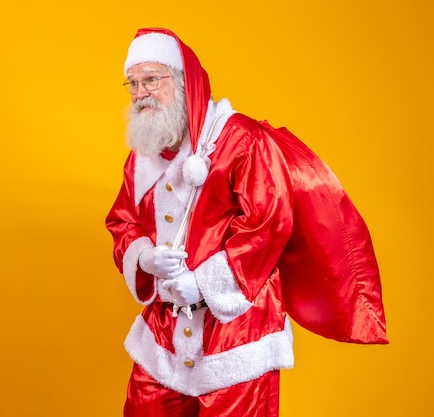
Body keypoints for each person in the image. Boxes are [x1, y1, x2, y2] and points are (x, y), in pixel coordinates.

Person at [106, 28, 387, 417]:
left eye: (152, 78)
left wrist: (201, 283)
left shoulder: (243, 141)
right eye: (133, 83)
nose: (140, 92)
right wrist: (144, 259)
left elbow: (269, 223)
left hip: (236, 333)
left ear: (185, 82)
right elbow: (123, 221)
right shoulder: (143, 156)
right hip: (164, 335)